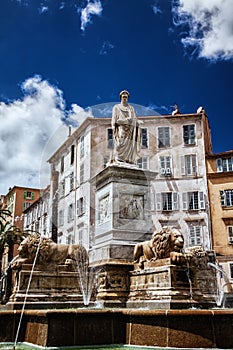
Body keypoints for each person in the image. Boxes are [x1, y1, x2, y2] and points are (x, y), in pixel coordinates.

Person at [111, 90, 142, 164]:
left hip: (130, 129)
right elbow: (114, 119)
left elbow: (134, 118)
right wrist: (113, 127)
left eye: (126, 97)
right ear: (121, 97)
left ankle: (127, 159)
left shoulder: (131, 108)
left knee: (129, 144)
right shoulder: (116, 107)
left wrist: (137, 122)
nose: (125, 98)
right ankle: (119, 158)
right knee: (120, 143)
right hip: (121, 127)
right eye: (123, 96)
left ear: (128, 98)